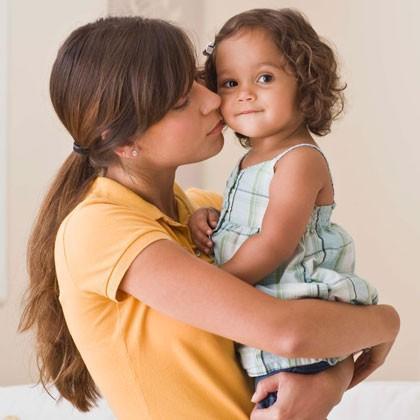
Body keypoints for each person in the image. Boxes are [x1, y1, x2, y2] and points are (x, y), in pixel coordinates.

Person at [18, 16, 399, 420]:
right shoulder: (99, 230)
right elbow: (290, 332)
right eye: (182, 101)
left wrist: (330, 379)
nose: (214, 100)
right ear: (126, 141)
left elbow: (307, 316)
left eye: (199, 81)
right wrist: (385, 323)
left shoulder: (212, 212)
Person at [189, 8, 382, 409]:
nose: (244, 93)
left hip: (297, 342)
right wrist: (210, 219)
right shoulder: (251, 161)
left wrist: (214, 286)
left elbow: (274, 243)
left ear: (305, 83)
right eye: (229, 82)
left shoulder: (299, 159)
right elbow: (245, 222)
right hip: (265, 337)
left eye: (264, 78)